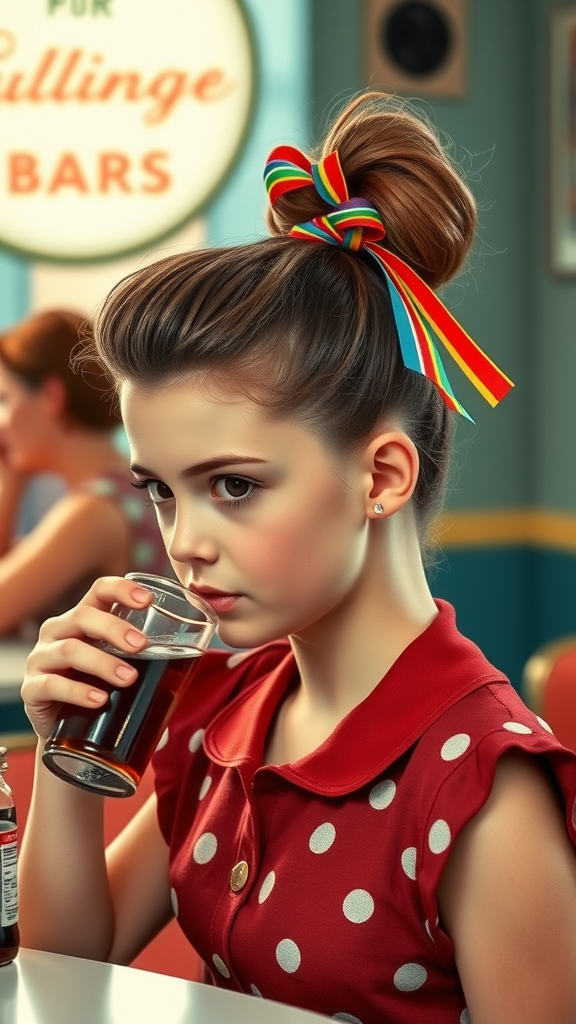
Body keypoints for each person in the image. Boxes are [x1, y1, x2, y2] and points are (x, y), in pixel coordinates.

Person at [18, 95, 576, 1024]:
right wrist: (66, 756)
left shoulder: (480, 789)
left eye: (233, 485)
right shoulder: (226, 706)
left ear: (382, 476)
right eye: (160, 489)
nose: (184, 540)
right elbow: (67, 971)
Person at [0, 309, 168, 635]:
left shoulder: (93, 510)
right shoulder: (124, 488)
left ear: (51, 397)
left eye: (5, 398)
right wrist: (13, 478)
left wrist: (8, 480)